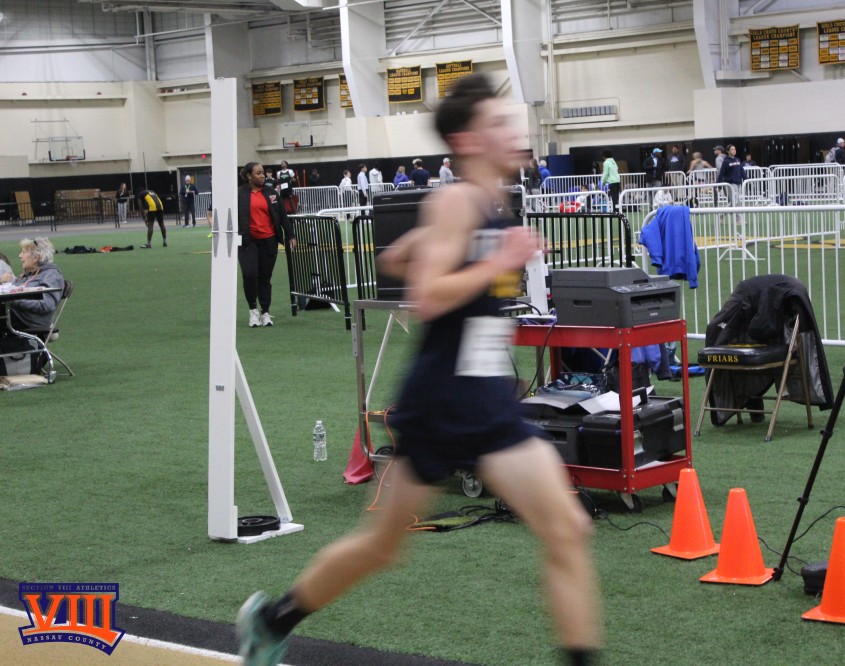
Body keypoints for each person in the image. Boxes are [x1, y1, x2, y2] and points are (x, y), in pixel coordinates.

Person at [237, 72, 602, 666]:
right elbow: (430, 298)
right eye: (498, 123)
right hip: (443, 399)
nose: (514, 131)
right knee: (385, 546)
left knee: (566, 529)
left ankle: (274, 619)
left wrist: (419, 248)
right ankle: (271, 620)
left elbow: (414, 256)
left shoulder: (487, 203)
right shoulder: (458, 200)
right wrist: (496, 260)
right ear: (467, 141)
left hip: (485, 395)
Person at [236, 162, 297, 328]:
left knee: (265, 277)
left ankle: (265, 312)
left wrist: (290, 235)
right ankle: (253, 311)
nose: (262, 176)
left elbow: (282, 215)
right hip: (247, 241)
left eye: (263, 172)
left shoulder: (271, 193)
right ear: (249, 176)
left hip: (269, 241)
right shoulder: (239, 194)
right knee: (249, 274)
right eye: (258, 173)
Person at [0, 238, 65, 376]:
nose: (20, 256)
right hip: (17, 316)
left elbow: (46, 305)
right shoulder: (28, 275)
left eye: (23, 252)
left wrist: (12, 300)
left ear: (35, 257)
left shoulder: (51, 275)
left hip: (30, 320)